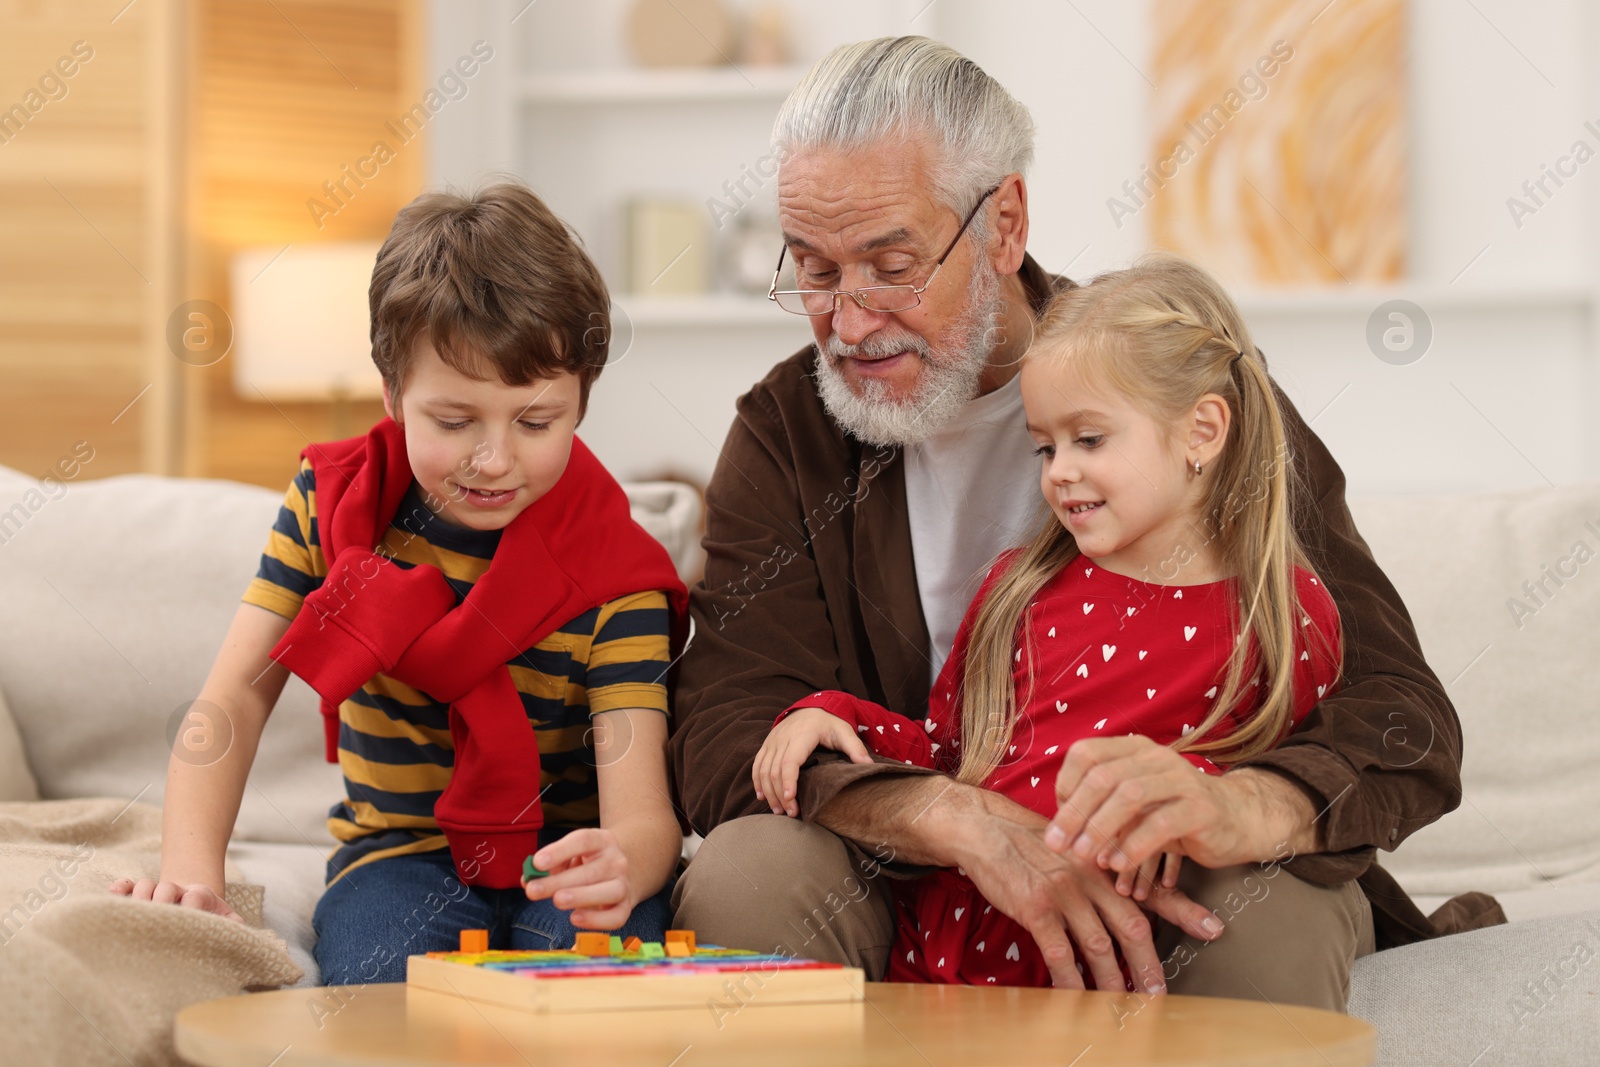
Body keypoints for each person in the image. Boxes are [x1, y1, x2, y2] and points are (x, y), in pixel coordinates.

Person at [669, 36, 1503, 1011]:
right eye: (813, 271)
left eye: (890, 264)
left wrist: (1241, 804)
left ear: (1004, 223)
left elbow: (1401, 711)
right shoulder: (788, 432)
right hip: (912, 870)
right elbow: (723, 728)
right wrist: (948, 815)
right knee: (747, 874)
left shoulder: (1178, 384)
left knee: (1259, 914)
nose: (848, 323)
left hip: (1174, 864)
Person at [112, 183, 689, 985]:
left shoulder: (618, 571)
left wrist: (624, 861)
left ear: (581, 403)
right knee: (380, 991)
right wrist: (192, 870)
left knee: (591, 994)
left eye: (535, 421)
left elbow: (643, 813)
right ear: (391, 394)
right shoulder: (327, 506)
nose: (494, 459)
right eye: (455, 422)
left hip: (566, 858)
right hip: (398, 856)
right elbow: (233, 701)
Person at [752, 254, 1345, 988]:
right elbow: (950, 754)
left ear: (1202, 430)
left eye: (1089, 439)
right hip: (955, 951)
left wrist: (1184, 795)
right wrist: (833, 717)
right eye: (1045, 445)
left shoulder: (1282, 611)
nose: (1059, 469)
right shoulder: (1020, 589)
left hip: (1123, 956)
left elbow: (1287, 774)